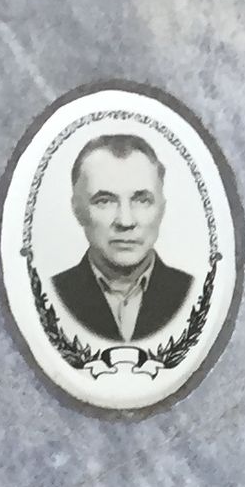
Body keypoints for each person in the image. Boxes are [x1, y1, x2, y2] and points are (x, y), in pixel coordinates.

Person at [48, 133, 193, 345]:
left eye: (142, 200)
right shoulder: (50, 297)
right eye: (104, 201)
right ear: (77, 210)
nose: (125, 221)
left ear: (162, 208)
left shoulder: (193, 294)